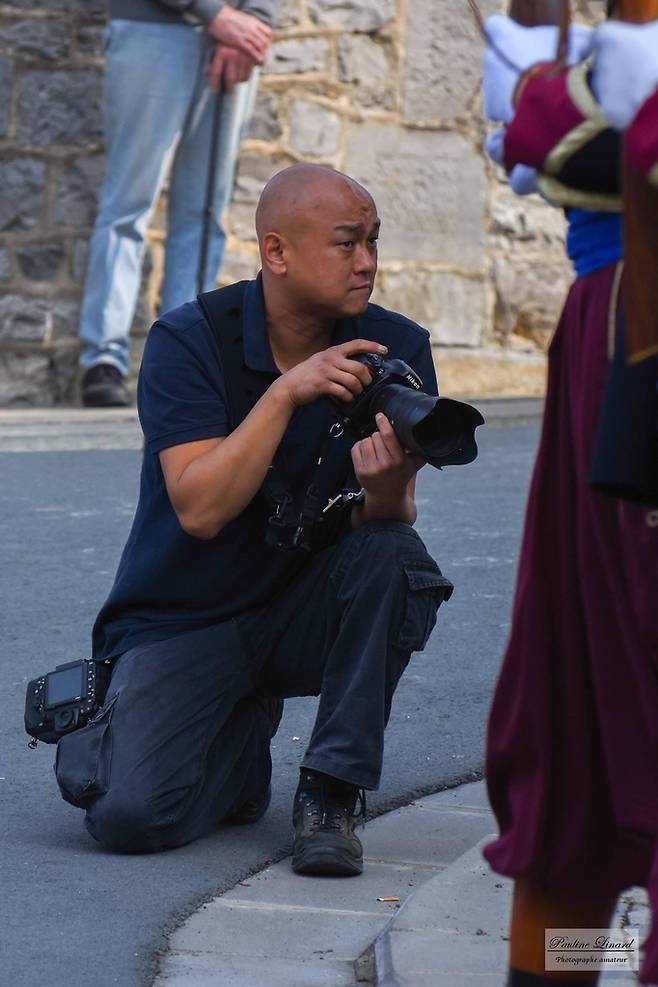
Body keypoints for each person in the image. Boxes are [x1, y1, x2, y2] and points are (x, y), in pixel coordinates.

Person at [54, 164, 454, 876]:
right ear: (276, 252)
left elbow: (384, 524)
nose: (366, 262)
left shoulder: (395, 348)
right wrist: (285, 395)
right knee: (128, 816)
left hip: (296, 612)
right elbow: (201, 509)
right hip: (183, 618)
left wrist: (389, 486)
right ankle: (235, 750)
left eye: (373, 242)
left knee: (396, 552)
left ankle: (331, 792)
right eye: (345, 243)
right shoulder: (190, 341)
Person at [481, 9, 658, 986]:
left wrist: (556, 101)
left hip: (633, 336)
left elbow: (568, 130)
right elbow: (550, 130)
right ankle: (573, 963)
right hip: (615, 340)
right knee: (578, 729)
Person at [78, 0, 278, 408]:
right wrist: (216, 15)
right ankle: (103, 359)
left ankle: (185, 356)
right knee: (128, 207)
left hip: (233, 42)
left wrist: (253, 21)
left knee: (205, 210)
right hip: (152, 29)